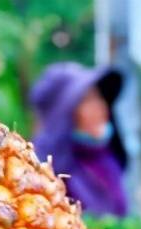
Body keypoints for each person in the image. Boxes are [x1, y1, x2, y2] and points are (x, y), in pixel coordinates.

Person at [29, 62, 130, 217]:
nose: (101, 107)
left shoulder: (106, 157)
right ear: (63, 115)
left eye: (100, 97)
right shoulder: (40, 171)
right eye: (87, 100)